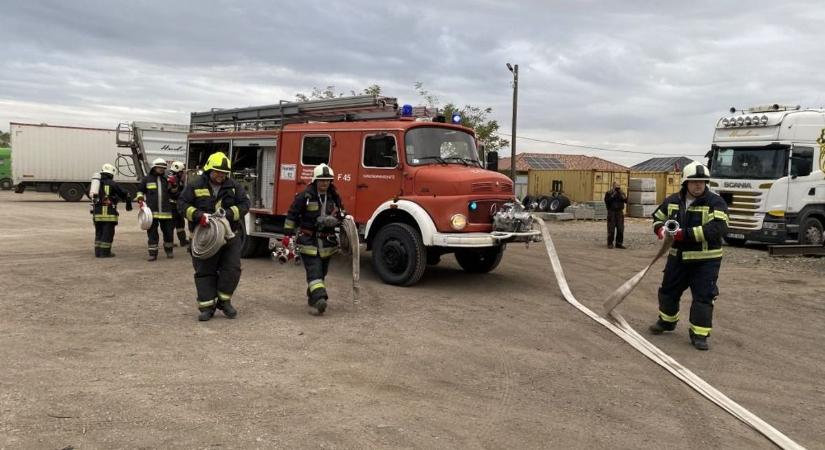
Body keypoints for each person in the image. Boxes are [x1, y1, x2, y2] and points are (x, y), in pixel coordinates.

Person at [649, 161, 729, 351]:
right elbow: (657, 217)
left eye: (702, 181)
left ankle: (699, 334)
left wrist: (684, 234)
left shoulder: (715, 202)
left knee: (703, 296)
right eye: (694, 182)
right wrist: (660, 230)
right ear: (685, 182)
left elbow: (718, 228)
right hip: (678, 258)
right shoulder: (672, 201)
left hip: (705, 261)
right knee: (668, 291)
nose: (698, 185)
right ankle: (667, 322)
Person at [178, 152, 249, 321]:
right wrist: (198, 216)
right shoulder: (195, 185)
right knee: (204, 271)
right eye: (217, 171)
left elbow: (245, 204)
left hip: (229, 236)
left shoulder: (234, 186)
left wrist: (229, 214)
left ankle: (224, 302)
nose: (220, 175)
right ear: (209, 169)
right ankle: (207, 307)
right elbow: (182, 204)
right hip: (204, 237)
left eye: (224, 173)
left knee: (232, 269)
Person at [283, 163, 345, 316]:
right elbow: (292, 215)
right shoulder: (305, 196)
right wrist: (287, 235)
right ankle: (320, 300)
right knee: (314, 270)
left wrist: (335, 220)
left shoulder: (334, 197)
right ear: (315, 181)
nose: (325, 183)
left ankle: (313, 295)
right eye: (322, 180)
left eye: (328, 180)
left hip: (326, 242)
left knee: (322, 272)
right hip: (308, 240)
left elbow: (341, 213)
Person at [136, 158, 176, 261]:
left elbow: (174, 194)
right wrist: (140, 199)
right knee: (152, 234)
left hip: (166, 212)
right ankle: (153, 254)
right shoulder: (146, 179)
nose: (162, 169)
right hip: (152, 212)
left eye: (163, 168)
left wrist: (174, 184)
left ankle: (169, 251)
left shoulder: (167, 179)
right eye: (159, 167)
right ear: (154, 167)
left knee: (168, 233)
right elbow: (140, 191)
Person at [91, 163, 132, 257]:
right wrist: (128, 202)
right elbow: (124, 193)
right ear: (111, 174)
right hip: (109, 214)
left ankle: (98, 252)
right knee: (107, 233)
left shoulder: (96, 184)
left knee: (99, 233)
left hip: (97, 213)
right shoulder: (113, 183)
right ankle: (105, 253)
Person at [167, 161, 189, 248]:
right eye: (181, 171)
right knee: (171, 225)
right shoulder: (171, 179)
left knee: (180, 223)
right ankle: (170, 242)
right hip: (171, 205)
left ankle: (183, 241)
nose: (182, 173)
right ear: (178, 171)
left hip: (177, 205)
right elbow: (171, 192)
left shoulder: (177, 179)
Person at [604, 181, 627, 249]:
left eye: (619, 185)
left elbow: (626, 200)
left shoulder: (622, 193)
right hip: (612, 212)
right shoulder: (609, 193)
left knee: (620, 229)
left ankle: (619, 243)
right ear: (613, 186)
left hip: (619, 212)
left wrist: (620, 194)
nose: (618, 187)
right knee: (611, 229)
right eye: (616, 185)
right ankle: (610, 243)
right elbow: (607, 201)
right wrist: (613, 195)